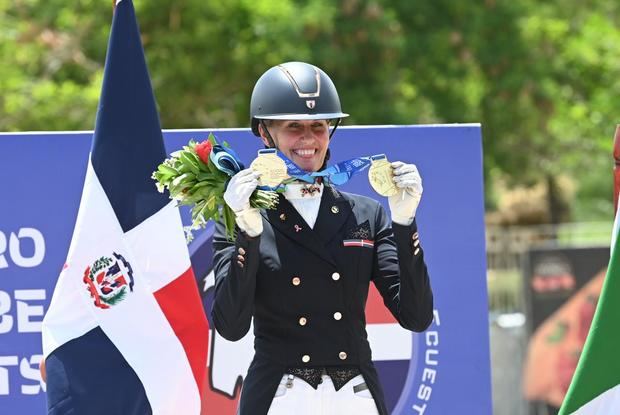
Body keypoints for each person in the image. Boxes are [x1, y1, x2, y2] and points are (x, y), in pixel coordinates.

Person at [211, 61, 433, 415]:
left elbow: (416, 316)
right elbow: (231, 326)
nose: (309, 139)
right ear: (265, 133)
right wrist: (248, 232)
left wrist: (405, 222)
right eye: (293, 127)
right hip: (280, 394)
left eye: (319, 126)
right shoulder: (240, 216)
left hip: (354, 395)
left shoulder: (366, 214)